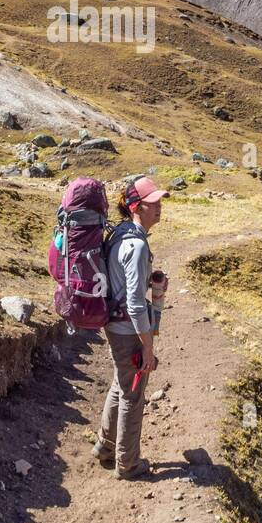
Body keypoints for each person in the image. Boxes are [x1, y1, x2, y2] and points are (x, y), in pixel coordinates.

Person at [93, 175, 169, 480]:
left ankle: (105, 446)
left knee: (120, 385)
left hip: (114, 324)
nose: (159, 207)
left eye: (160, 201)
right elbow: (137, 304)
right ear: (137, 207)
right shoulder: (136, 245)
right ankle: (128, 463)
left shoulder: (120, 232)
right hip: (128, 330)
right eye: (153, 203)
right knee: (133, 395)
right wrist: (148, 347)